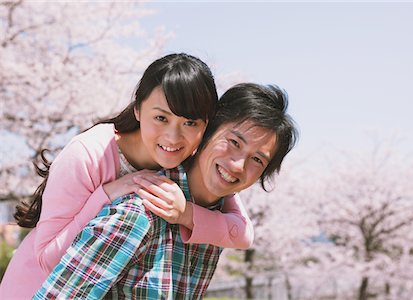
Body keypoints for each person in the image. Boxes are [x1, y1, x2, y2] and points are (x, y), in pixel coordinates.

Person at [0, 54, 254, 299]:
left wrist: (184, 213)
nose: (173, 137)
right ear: (138, 109)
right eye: (160, 118)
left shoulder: (192, 157)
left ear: (205, 126)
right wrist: (107, 194)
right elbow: (46, 258)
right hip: (35, 289)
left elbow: (242, 234)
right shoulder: (89, 153)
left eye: (190, 123)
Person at [33, 83, 298, 299]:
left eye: (257, 160)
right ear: (204, 133)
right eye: (233, 142)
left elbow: (242, 234)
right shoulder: (140, 212)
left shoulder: (211, 223)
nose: (237, 165)